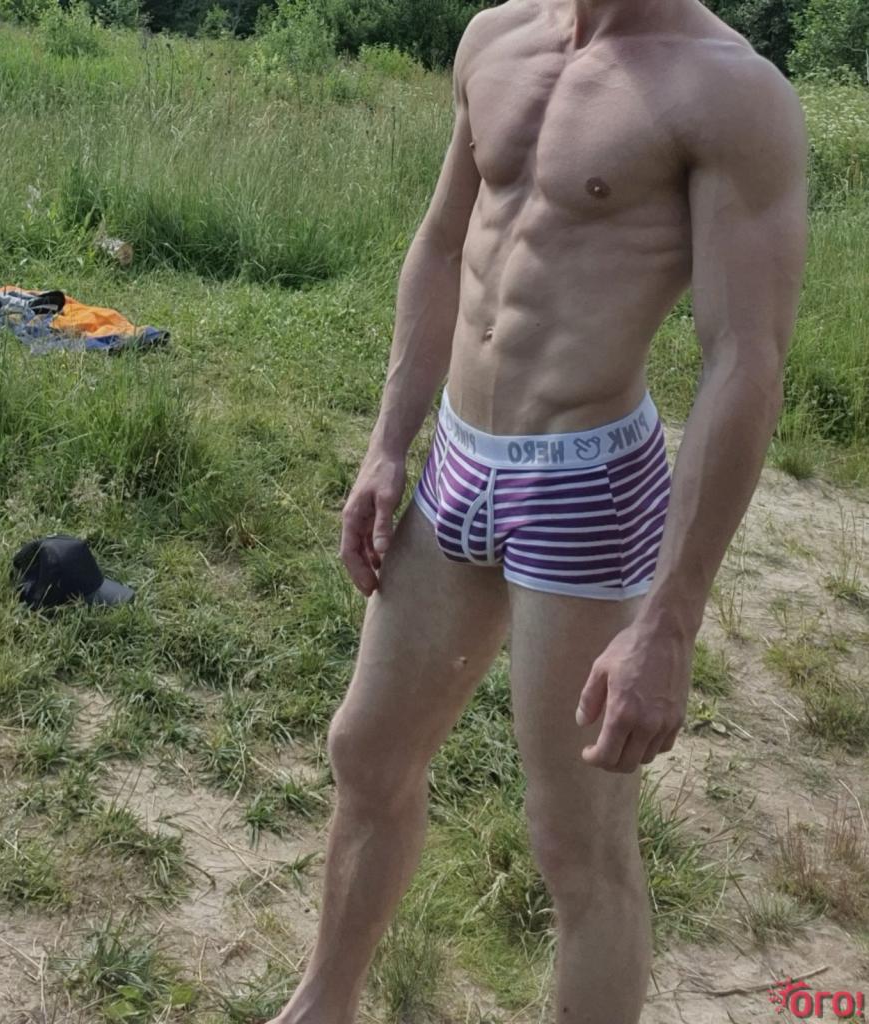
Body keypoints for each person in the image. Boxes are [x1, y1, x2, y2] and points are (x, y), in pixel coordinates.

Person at [269, 1, 808, 1021]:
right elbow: (443, 245)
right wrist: (388, 443)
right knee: (366, 754)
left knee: (577, 845)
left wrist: (670, 620)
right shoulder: (497, 36)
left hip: (584, 486)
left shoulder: (729, 92)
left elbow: (745, 360)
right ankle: (322, 1004)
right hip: (457, 461)